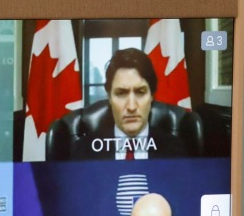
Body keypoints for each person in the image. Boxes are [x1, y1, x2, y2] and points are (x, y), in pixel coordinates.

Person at [46, 47, 193, 160]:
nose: (131, 107)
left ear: (152, 96)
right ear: (109, 97)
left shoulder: (176, 150)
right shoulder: (83, 151)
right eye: (121, 93)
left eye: (140, 92)